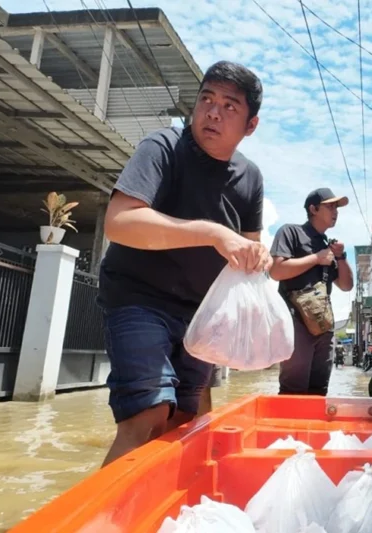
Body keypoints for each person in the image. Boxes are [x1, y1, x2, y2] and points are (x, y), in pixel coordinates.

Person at [97, 61, 270, 466]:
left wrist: (257, 256)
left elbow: (250, 251)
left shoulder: (251, 179)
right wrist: (212, 233)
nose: (213, 112)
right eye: (207, 99)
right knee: (148, 413)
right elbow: (119, 222)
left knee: (185, 420)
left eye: (230, 106)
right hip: (138, 298)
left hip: (201, 315)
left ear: (250, 125)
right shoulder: (162, 147)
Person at [269, 188, 354, 395]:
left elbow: (346, 285)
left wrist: (341, 256)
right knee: (293, 390)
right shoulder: (291, 232)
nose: (336, 211)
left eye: (337, 207)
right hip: (295, 322)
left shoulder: (328, 245)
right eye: (330, 206)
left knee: (319, 390)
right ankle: (290, 428)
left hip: (323, 324)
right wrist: (316, 258)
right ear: (313, 209)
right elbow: (276, 271)